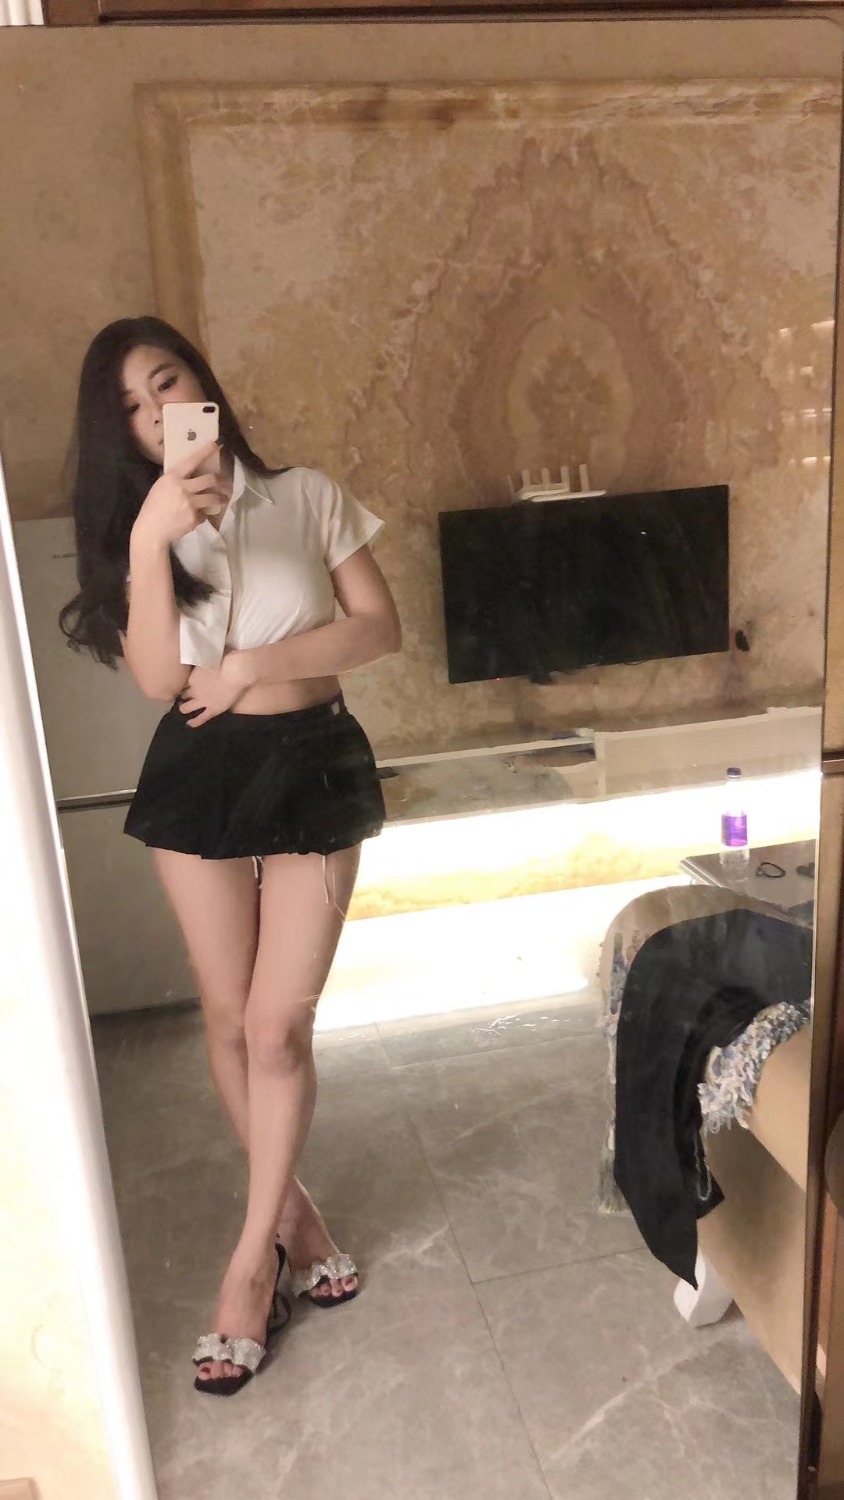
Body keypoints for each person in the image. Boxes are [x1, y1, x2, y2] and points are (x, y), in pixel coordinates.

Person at [60, 316, 401, 1396]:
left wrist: (254, 663)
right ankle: (294, 1222)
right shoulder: (141, 529)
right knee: (224, 1018)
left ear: (202, 384)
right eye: (129, 405)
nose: (157, 411)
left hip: (316, 760)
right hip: (200, 770)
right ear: (119, 432)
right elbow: (162, 679)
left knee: (275, 1026)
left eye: (167, 382)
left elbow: (377, 627)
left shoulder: (306, 494)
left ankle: (249, 1267)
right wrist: (150, 538)